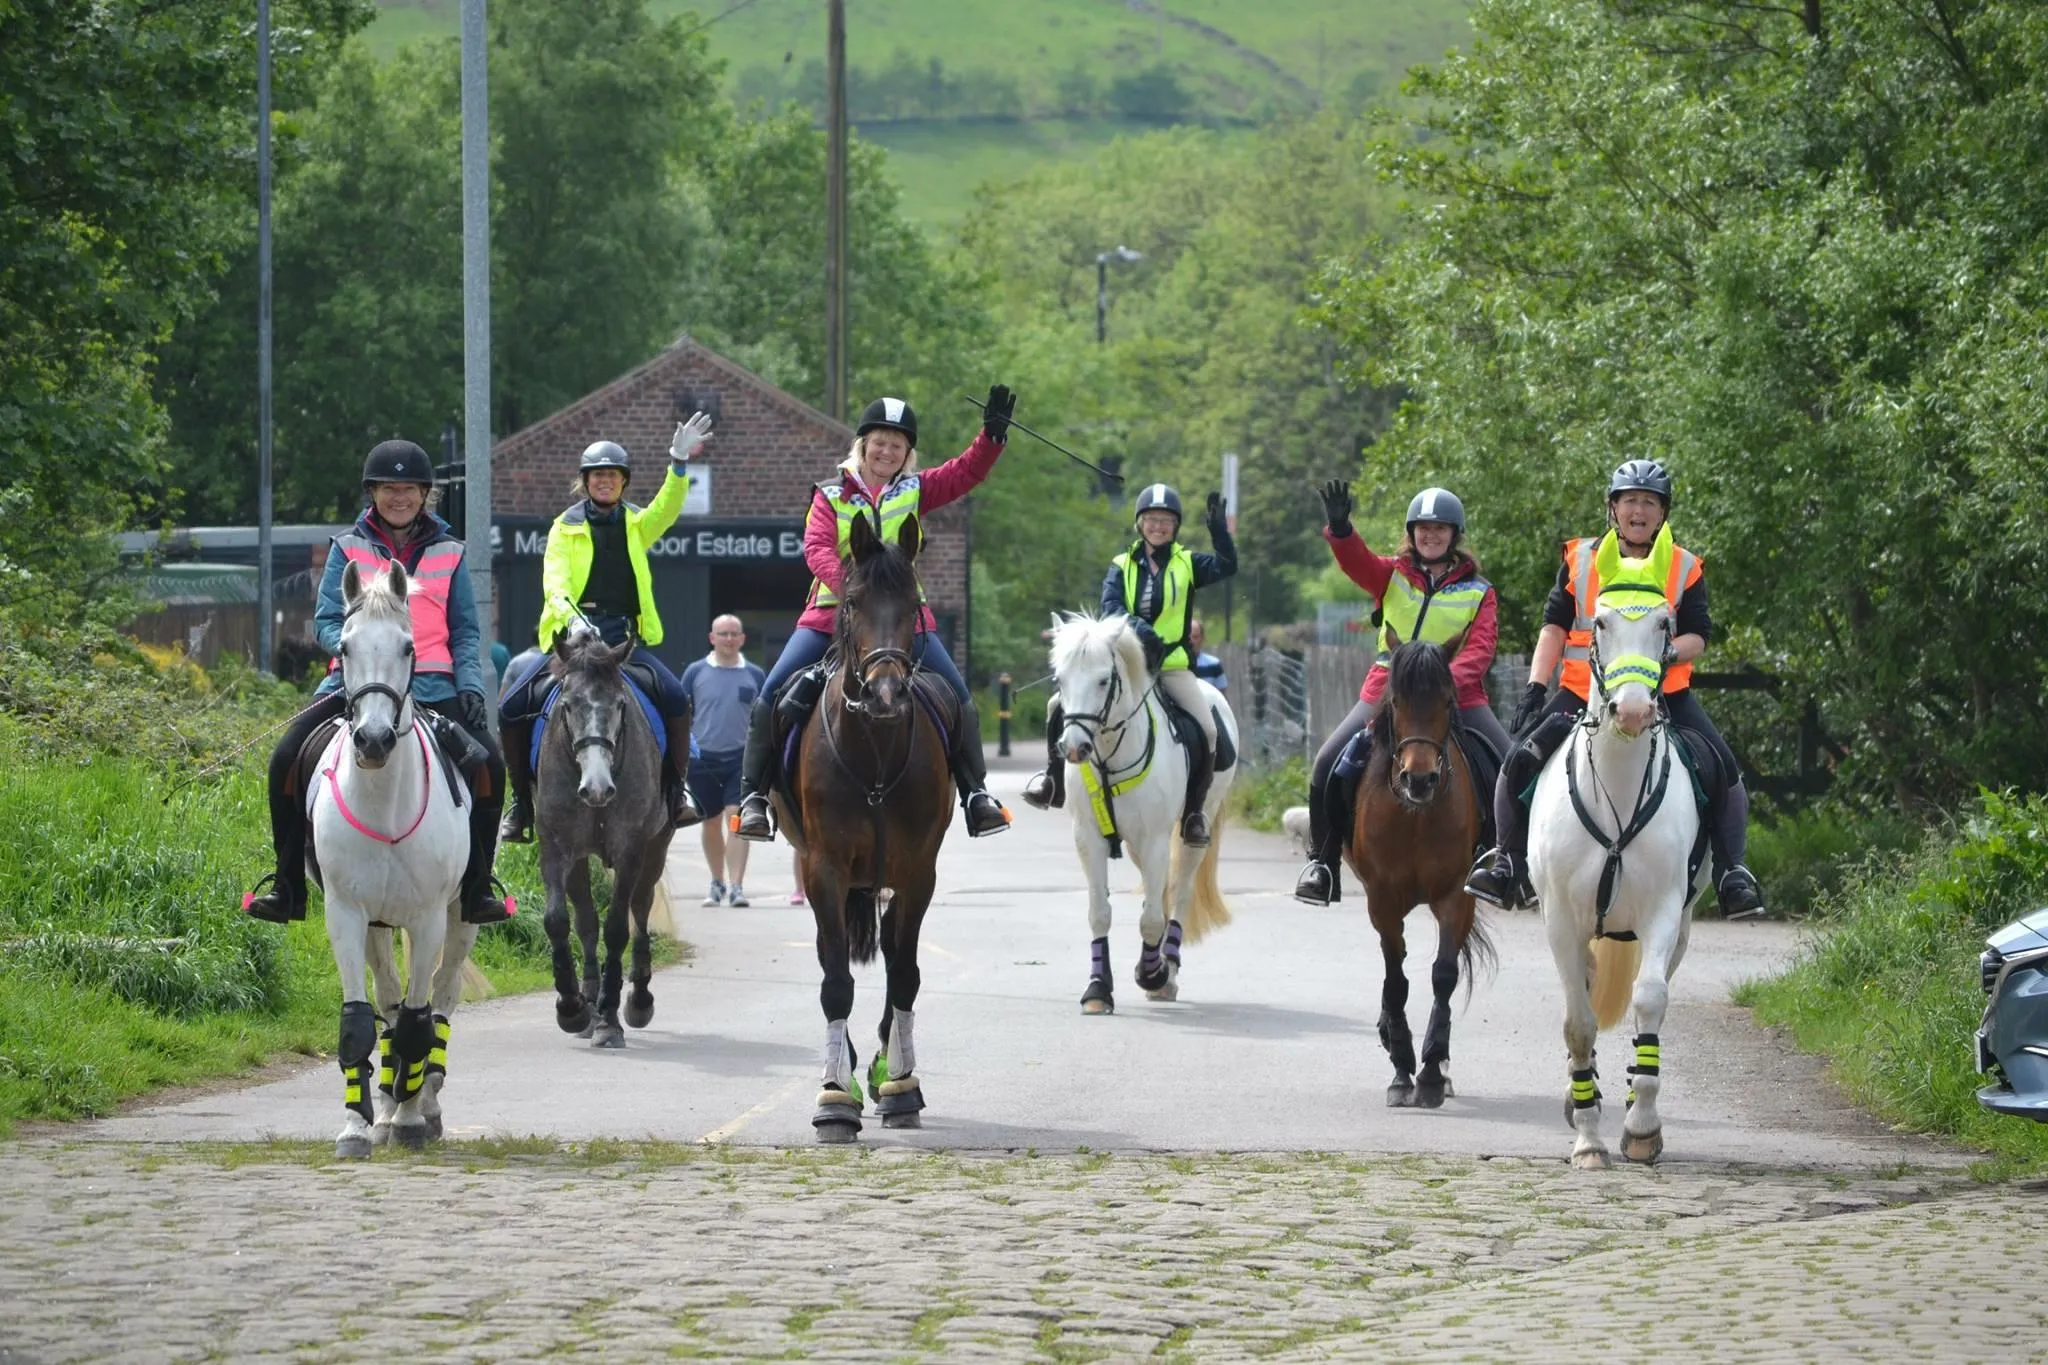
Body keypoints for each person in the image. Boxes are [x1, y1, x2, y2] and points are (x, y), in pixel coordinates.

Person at [1463, 459, 1765, 918]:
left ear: (1663, 513)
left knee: (1722, 769)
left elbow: (1698, 635)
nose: (1638, 511)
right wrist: (1534, 688)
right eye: (1630, 501)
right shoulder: (1580, 559)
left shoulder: (1683, 566)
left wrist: (1658, 658)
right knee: (1519, 760)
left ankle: (1731, 873)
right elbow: (1554, 628)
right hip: (1584, 690)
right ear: (1613, 508)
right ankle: (1507, 860)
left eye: (1649, 502)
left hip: (1665, 693)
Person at [243, 441, 512, 926]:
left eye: (408, 489)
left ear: (425, 494)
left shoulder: (451, 552)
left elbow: (467, 631)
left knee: (490, 763)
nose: (399, 498)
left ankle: (476, 887)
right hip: (359, 684)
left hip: (431, 681)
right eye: (389, 489)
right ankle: (287, 886)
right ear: (373, 493)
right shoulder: (348, 547)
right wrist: (353, 640)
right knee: (285, 757)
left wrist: (470, 686)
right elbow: (326, 620)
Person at [734, 389, 1018, 842]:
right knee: (772, 692)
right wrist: (851, 588)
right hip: (833, 613)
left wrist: (992, 435)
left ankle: (976, 795)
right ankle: (753, 799)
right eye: (880, 442)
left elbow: (966, 473)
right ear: (863, 445)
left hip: (907, 619)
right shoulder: (830, 495)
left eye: (897, 445)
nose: (887, 451)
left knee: (959, 697)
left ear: (908, 453)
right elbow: (817, 548)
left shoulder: (917, 489)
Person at [1292, 482, 1510, 905]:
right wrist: (1340, 530)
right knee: (1325, 763)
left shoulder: (1480, 592)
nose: (1431, 536)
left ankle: (1503, 862)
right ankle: (1322, 864)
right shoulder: (1390, 575)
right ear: (1411, 534)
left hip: (1457, 695)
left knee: (1510, 767)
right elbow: (1356, 563)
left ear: (1455, 535)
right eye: (1423, 529)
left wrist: (1438, 683)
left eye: (1440, 529)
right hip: (1388, 690)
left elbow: (1480, 650)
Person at [497, 416, 712, 842]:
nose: (605, 482)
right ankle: (521, 802)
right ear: (586, 482)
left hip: (624, 639)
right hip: (575, 639)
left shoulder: (636, 523)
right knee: (512, 706)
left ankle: (676, 789)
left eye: (613, 476)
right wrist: (571, 616)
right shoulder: (565, 526)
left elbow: (667, 510)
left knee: (673, 697)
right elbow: (554, 581)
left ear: (623, 482)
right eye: (598, 476)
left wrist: (678, 463)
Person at [1023, 482, 1238, 846]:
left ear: (1175, 526)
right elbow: (1111, 608)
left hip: (1171, 666)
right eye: (1152, 519)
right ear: (1140, 524)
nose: (1159, 526)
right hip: (1125, 665)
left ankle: (1194, 814)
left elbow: (1227, 566)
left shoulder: (1188, 564)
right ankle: (1053, 782)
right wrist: (1139, 631)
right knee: (1056, 705)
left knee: (1209, 729)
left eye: (1166, 520)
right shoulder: (1121, 566)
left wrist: (1219, 531)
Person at [683, 614, 766, 906]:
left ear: (742, 639)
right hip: (702, 759)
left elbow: (764, 717)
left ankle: (736, 886)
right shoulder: (695, 672)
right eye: (723, 634)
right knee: (710, 821)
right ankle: (716, 882)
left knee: (735, 817)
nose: (729, 639)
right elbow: (683, 713)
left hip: (740, 759)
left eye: (734, 634)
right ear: (712, 638)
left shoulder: (755, 675)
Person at [1188, 618, 1229, 692]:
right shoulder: (1175, 665)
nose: (1191, 642)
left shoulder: (1213, 665)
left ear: (1202, 638)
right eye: (1188, 638)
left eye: (1195, 637)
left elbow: (1222, 696)